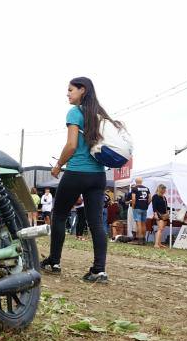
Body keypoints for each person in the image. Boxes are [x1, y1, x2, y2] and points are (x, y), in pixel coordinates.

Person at [42, 76, 122, 283]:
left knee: (59, 215)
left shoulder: (74, 113)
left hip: (76, 172)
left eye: (70, 90)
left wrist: (58, 165)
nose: (67, 94)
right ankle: (99, 271)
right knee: (96, 222)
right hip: (98, 175)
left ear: (82, 90)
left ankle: (54, 261)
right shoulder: (100, 115)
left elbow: (71, 145)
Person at [129, 177, 151, 245]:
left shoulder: (134, 188)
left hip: (137, 207)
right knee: (143, 223)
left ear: (136, 182)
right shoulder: (147, 189)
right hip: (144, 208)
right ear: (141, 181)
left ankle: (139, 239)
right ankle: (144, 239)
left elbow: (133, 199)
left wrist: (133, 207)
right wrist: (146, 204)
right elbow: (150, 198)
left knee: (138, 224)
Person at [151, 184, 169, 248]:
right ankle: (156, 244)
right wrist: (155, 214)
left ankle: (159, 243)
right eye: (163, 189)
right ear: (160, 189)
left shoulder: (164, 197)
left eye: (165, 190)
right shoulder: (155, 196)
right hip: (159, 214)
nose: (164, 191)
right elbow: (154, 206)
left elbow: (166, 206)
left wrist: (169, 211)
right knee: (160, 228)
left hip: (165, 215)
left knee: (161, 229)